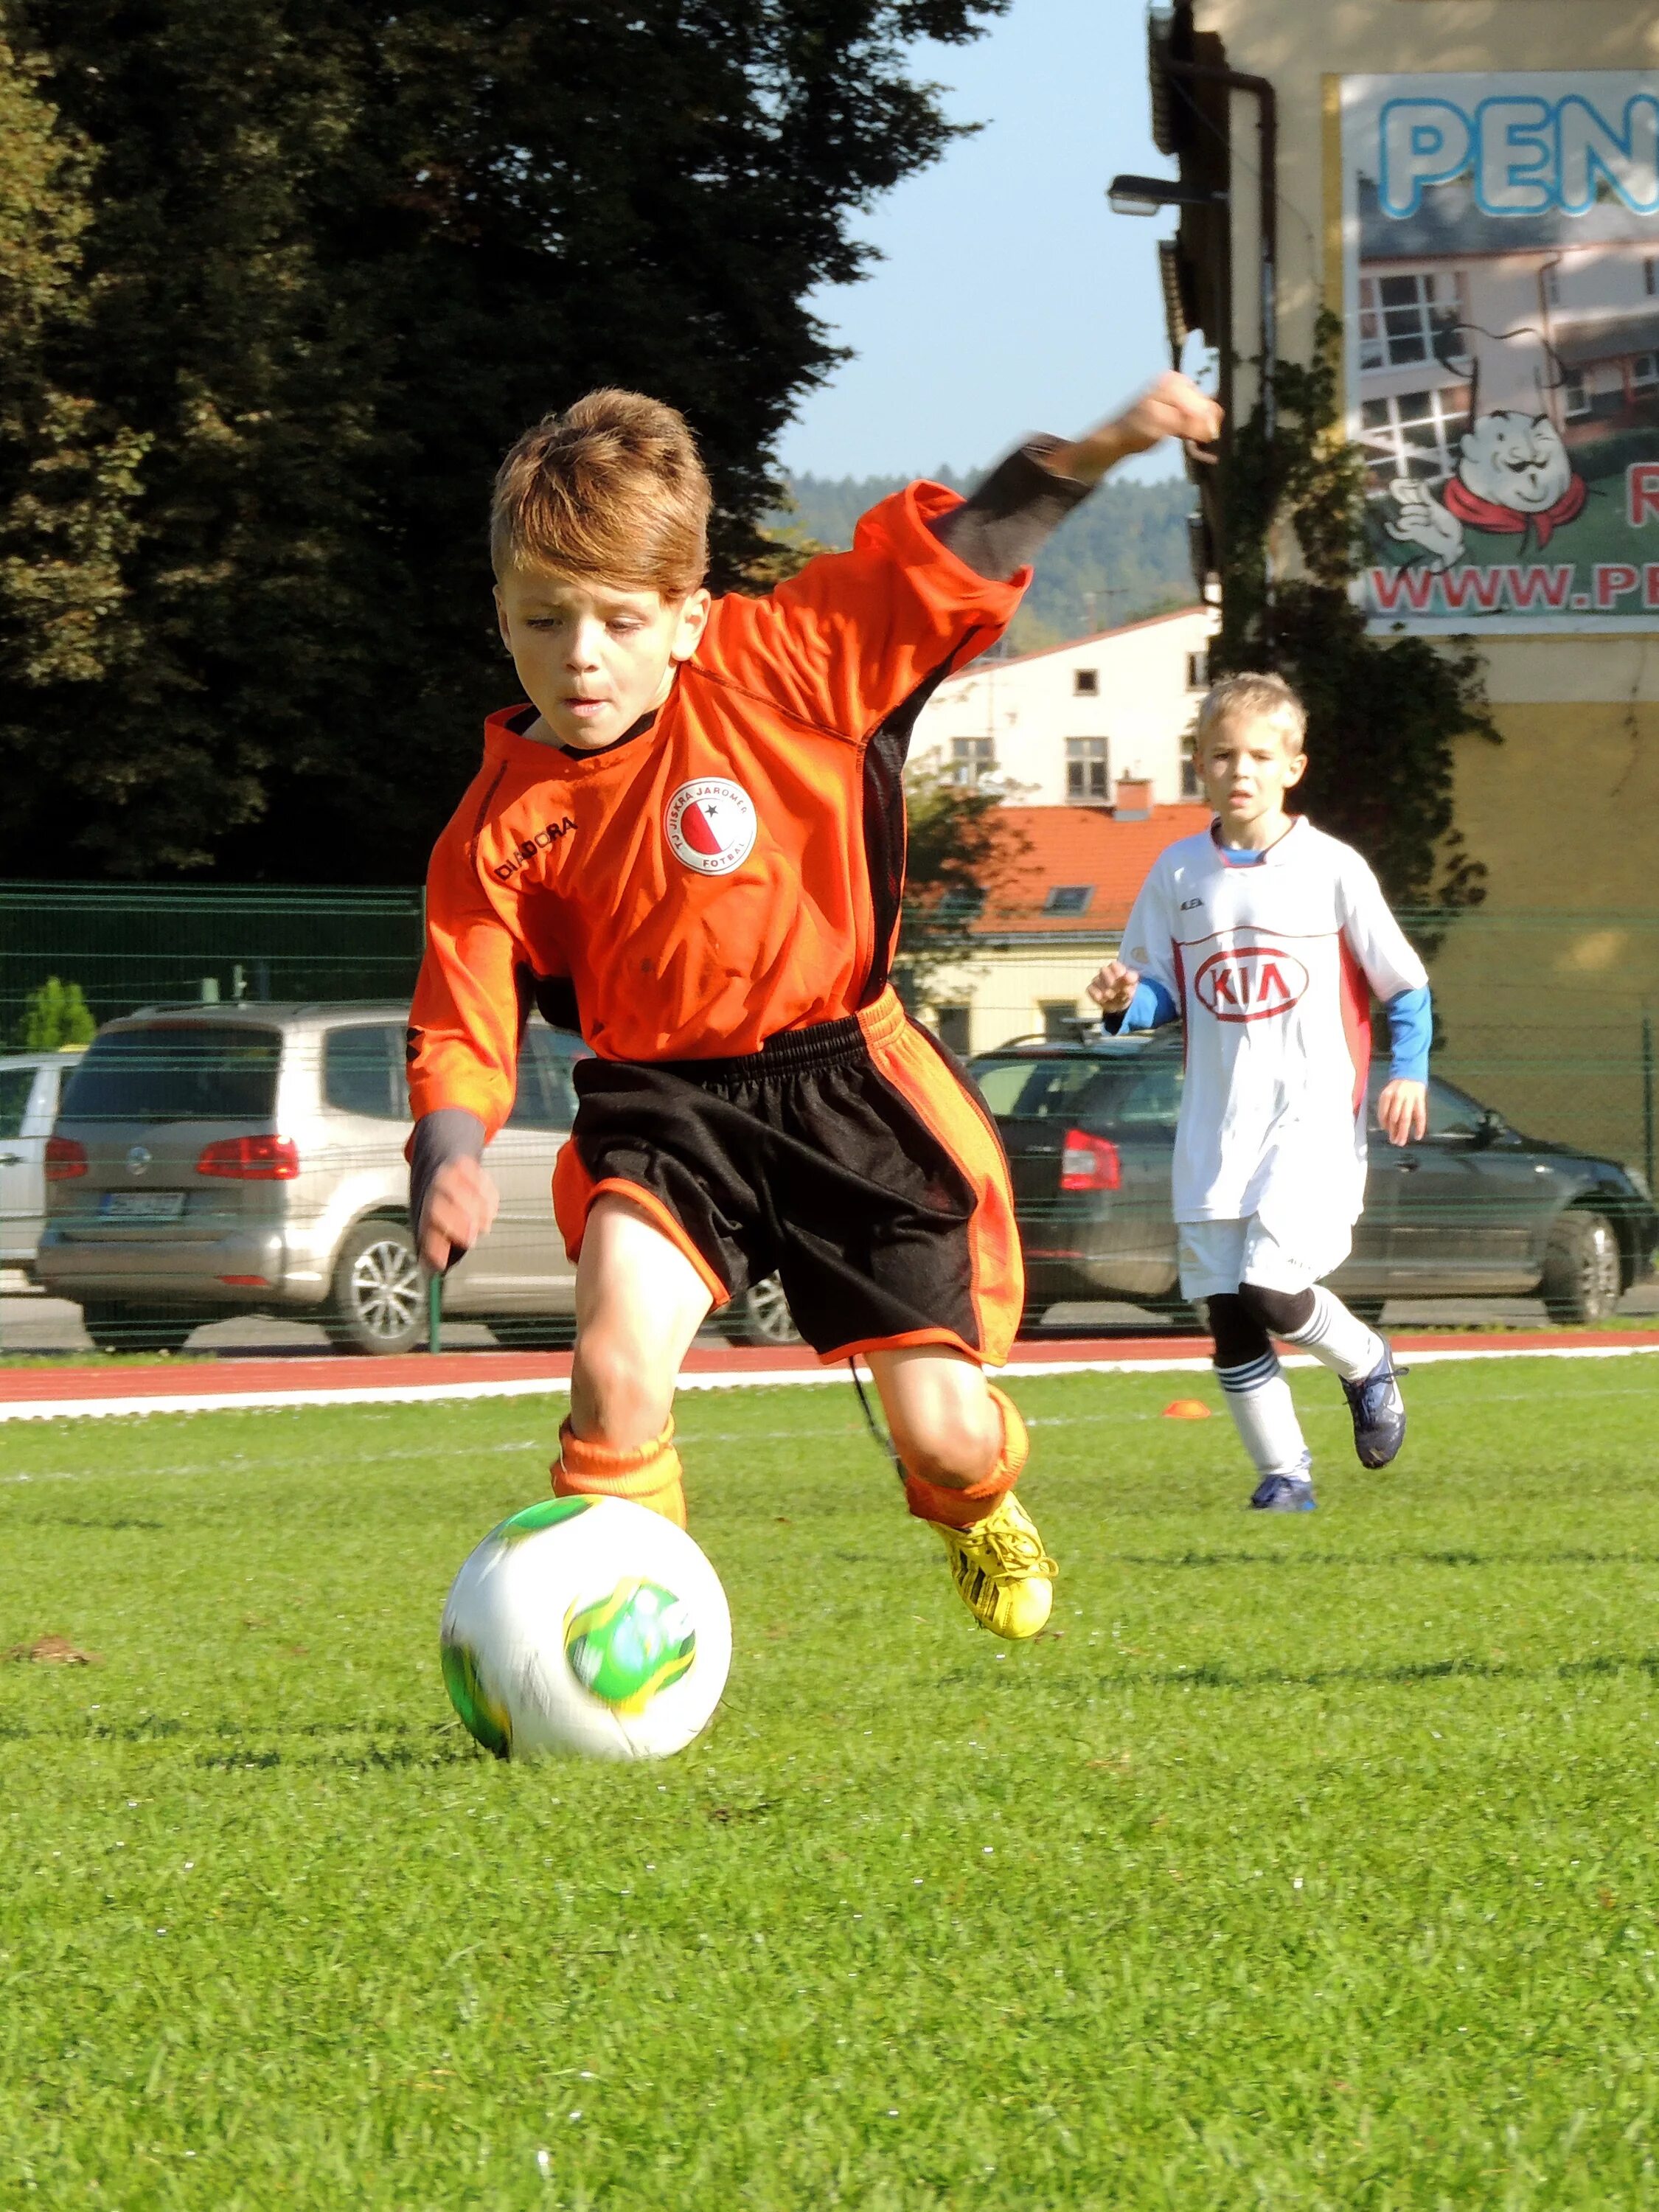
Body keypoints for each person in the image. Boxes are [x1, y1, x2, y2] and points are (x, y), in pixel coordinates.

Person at [406, 372, 1222, 1636]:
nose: (580, 656)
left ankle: (971, 1507)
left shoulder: (790, 663)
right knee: (614, 1368)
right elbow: (462, 1010)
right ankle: (620, 1638)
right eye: (543, 619)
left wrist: (1114, 441)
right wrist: (450, 1144)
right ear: (500, 614)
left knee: (947, 1435)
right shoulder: (500, 824)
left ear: (687, 616)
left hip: (847, 1085)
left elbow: (963, 549)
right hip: (664, 1110)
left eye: (618, 622)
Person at [1089, 672, 1432, 1512]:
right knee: (1226, 1309)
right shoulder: (1176, 871)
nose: (1240, 770)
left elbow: (1405, 985)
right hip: (1215, 1122)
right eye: (1221, 755)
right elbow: (1162, 992)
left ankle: (1365, 1361)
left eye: (1258, 756)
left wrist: (1409, 1072)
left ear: (1293, 767)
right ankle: (1285, 1478)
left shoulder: (1331, 868)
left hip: (1311, 1116)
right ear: (1200, 766)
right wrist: (1120, 1002)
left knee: (1272, 1290)